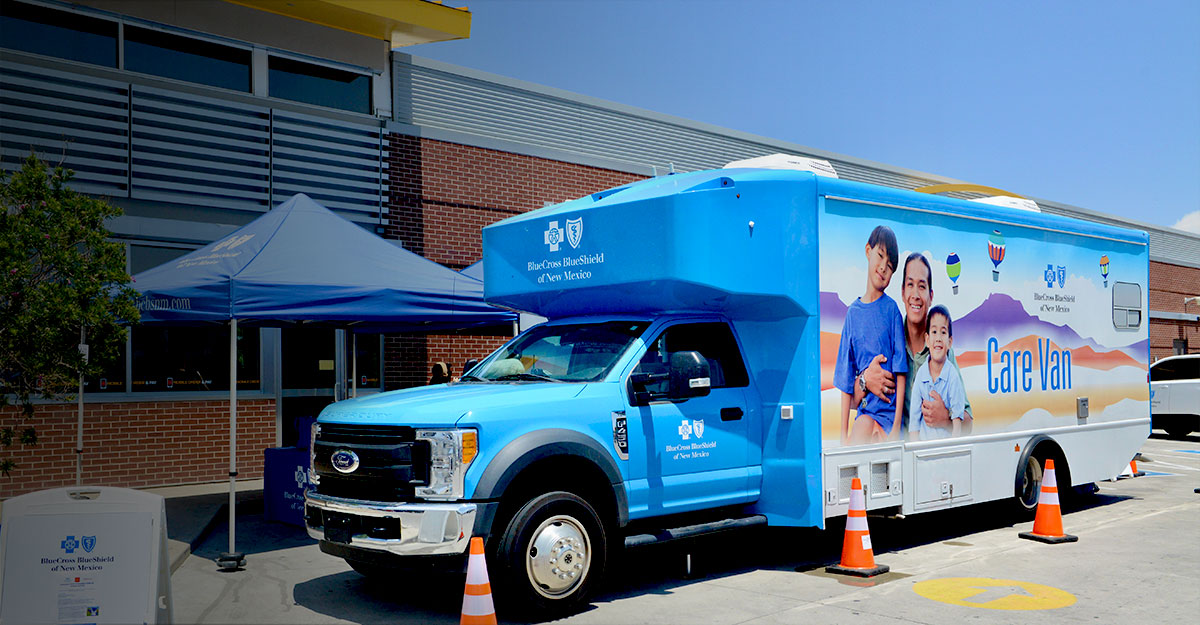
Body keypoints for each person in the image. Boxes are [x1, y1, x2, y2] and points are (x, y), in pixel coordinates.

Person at [854, 252, 972, 435]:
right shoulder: (888, 340)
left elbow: (969, 423)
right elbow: (854, 402)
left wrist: (946, 420)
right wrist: (864, 380)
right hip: (896, 452)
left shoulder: (942, 352)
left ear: (931, 296)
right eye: (910, 285)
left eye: (922, 286)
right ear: (902, 292)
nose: (915, 295)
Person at [834, 225, 907, 445]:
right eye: (880, 256)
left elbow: (901, 370)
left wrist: (896, 427)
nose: (883, 267)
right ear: (868, 251)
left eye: (891, 266)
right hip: (865, 415)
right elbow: (846, 380)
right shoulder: (853, 315)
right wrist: (842, 435)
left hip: (889, 417)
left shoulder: (892, 310)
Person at [909, 305, 966, 440]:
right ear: (927, 340)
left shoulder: (952, 376)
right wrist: (915, 450)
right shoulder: (921, 375)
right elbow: (914, 421)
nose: (939, 338)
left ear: (950, 342)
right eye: (934, 332)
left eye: (943, 332)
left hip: (945, 450)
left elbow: (957, 420)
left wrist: (953, 447)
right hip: (924, 450)